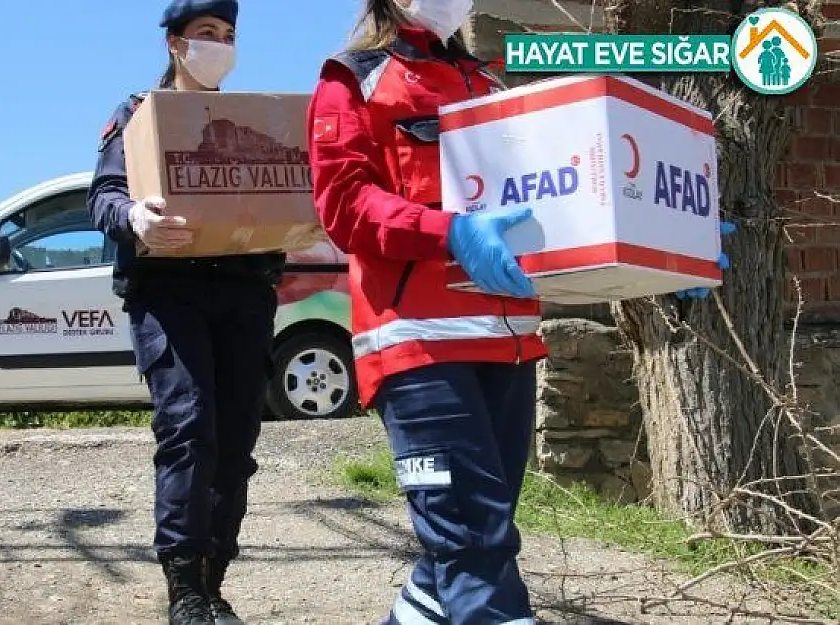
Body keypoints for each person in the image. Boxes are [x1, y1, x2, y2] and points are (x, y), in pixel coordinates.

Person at [305, 1, 734, 623]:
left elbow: (560, 205)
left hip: (506, 343)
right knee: (475, 546)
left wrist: (674, 242)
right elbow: (343, 205)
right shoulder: (353, 78)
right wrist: (450, 233)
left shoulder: (487, 83)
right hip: (418, 343)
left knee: (453, 554)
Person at [86, 2, 285, 624]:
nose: (220, 46)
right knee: (189, 426)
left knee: (236, 438)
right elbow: (104, 195)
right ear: (175, 43)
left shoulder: (249, 120)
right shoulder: (138, 113)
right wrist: (135, 219)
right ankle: (184, 588)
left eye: (228, 36)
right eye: (206, 35)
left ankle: (213, 579)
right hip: (168, 290)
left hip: (245, 287)